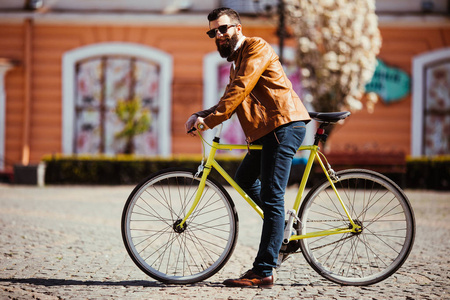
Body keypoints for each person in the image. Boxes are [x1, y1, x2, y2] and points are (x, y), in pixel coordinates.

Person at [185, 7, 311, 288]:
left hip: (283, 125)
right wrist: (202, 114)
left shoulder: (256, 47)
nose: (218, 35)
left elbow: (240, 88)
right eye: (212, 32)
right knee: (243, 178)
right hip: (266, 132)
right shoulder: (237, 61)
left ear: (237, 29)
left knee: (271, 195)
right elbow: (229, 96)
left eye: (223, 29)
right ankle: (279, 230)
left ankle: (264, 271)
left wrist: (210, 121)